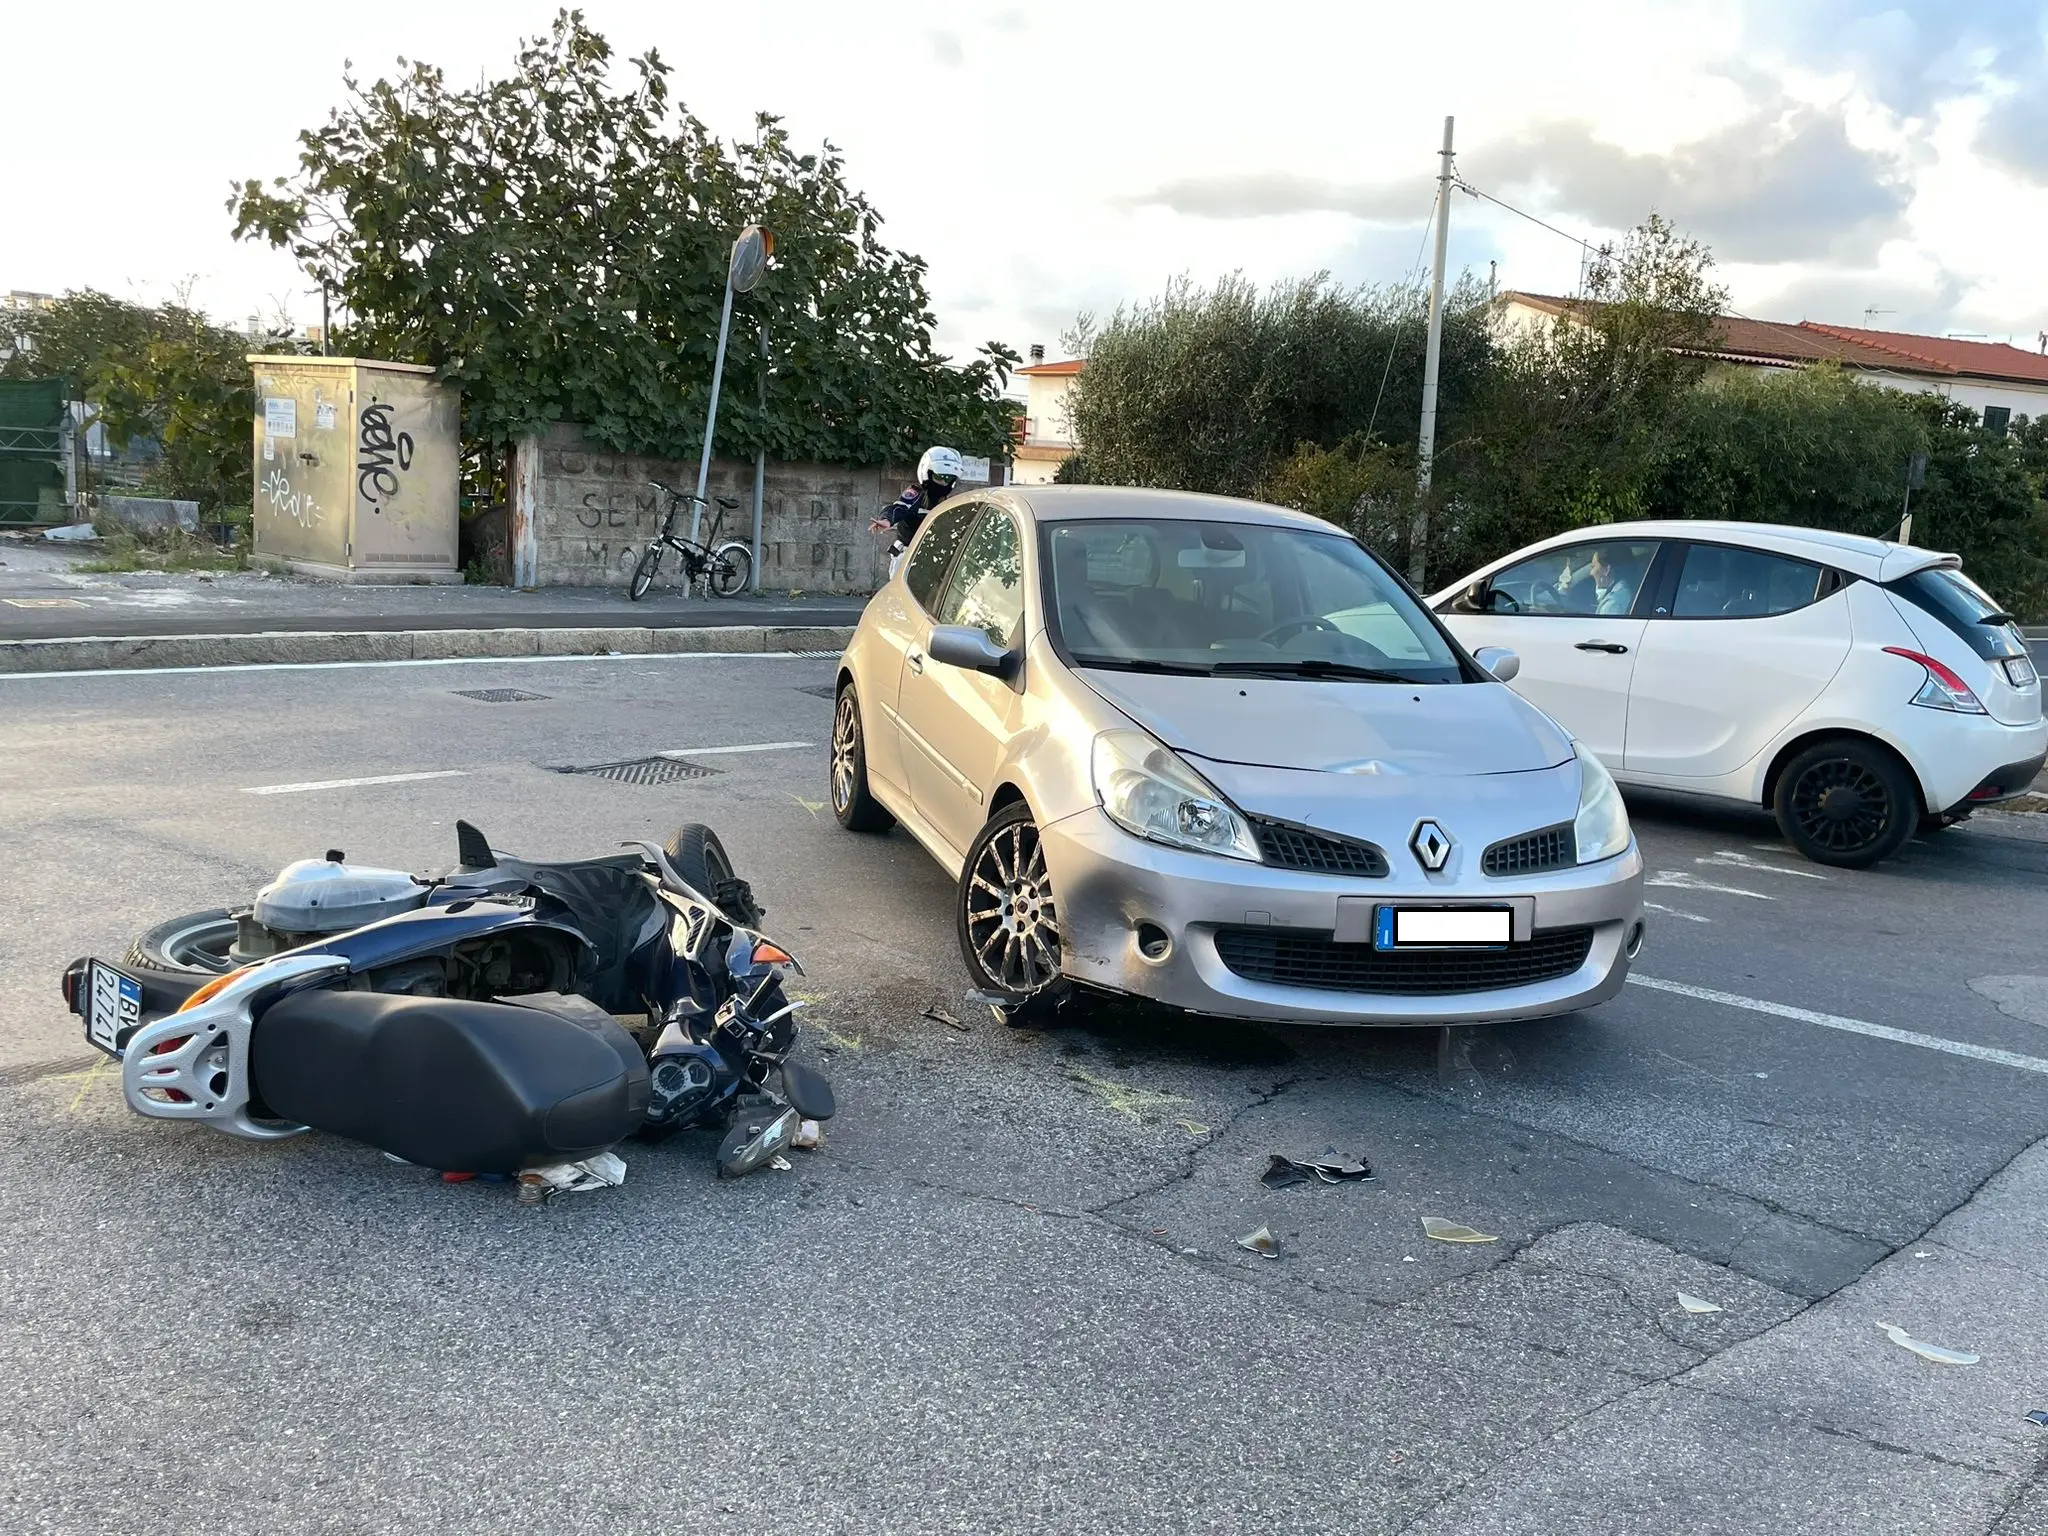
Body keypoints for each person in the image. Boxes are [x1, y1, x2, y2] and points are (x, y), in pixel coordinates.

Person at [871, 446, 965, 573]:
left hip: (931, 559)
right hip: (907, 557)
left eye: (948, 479)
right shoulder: (916, 494)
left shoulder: (947, 503)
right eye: (939, 477)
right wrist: (887, 520)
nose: (943, 483)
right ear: (927, 473)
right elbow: (899, 507)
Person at [1589, 547, 1636, 615]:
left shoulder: (1611, 605)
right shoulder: (1624, 592)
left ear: (1606, 570)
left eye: (1593, 567)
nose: (1591, 573)